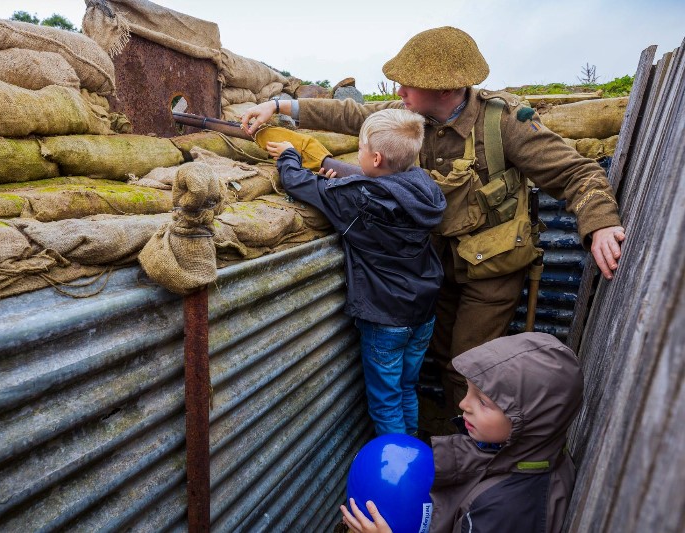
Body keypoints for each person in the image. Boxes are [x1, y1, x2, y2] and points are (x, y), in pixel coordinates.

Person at [242, 26, 625, 413]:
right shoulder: (413, 118)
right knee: (441, 356)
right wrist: (277, 107)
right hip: (436, 266)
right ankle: (447, 438)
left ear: (445, 89)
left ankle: (476, 454)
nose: (398, 93)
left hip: (493, 270)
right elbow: (353, 114)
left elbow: (577, 173)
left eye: (408, 85)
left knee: (469, 366)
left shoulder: (504, 122)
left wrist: (601, 223)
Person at [265, 108, 446, 436]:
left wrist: (290, 156)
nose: (358, 154)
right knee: (407, 388)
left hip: (386, 317)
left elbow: (296, 182)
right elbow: (380, 190)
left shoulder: (354, 197)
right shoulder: (425, 186)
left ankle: (398, 478)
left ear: (375, 159)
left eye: (361, 149)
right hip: (423, 311)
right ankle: (415, 457)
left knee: (386, 402)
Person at [340, 332, 584, 533]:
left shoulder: (500, 512)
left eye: (483, 401)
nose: (463, 405)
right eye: (469, 391)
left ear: (528, 421)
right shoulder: (540, 453)